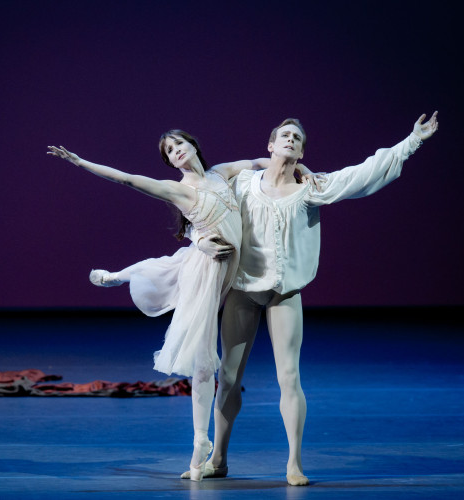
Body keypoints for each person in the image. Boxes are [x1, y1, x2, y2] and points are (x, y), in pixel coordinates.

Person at [182, 112, 439, 485]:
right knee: (230, 377)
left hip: (284, 294)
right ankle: (218, 458)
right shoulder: (243, 185)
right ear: (270, 145)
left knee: (289, 376)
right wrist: (200, 240)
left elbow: (362, 173)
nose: (290, 140)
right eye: (284, 135)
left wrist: (412, 141)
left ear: (301, 153)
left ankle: (294, 463)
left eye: (297, 139)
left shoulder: (311, 187)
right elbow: (200, 209)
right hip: (243, 291)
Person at [47, 132, 317, 481]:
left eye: (179, 145)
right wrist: (79, 162)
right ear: (171, 162)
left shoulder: (222, 172)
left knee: (167, 264)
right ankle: (200, 442)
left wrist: (303, 169)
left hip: (231, 272)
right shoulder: (177, 190)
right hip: (206, 274)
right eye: (170, 151)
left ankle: (118, 276)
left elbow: (263, 162)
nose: (177, 152)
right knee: (203, 359)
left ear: (193, 146)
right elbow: (127, 179)